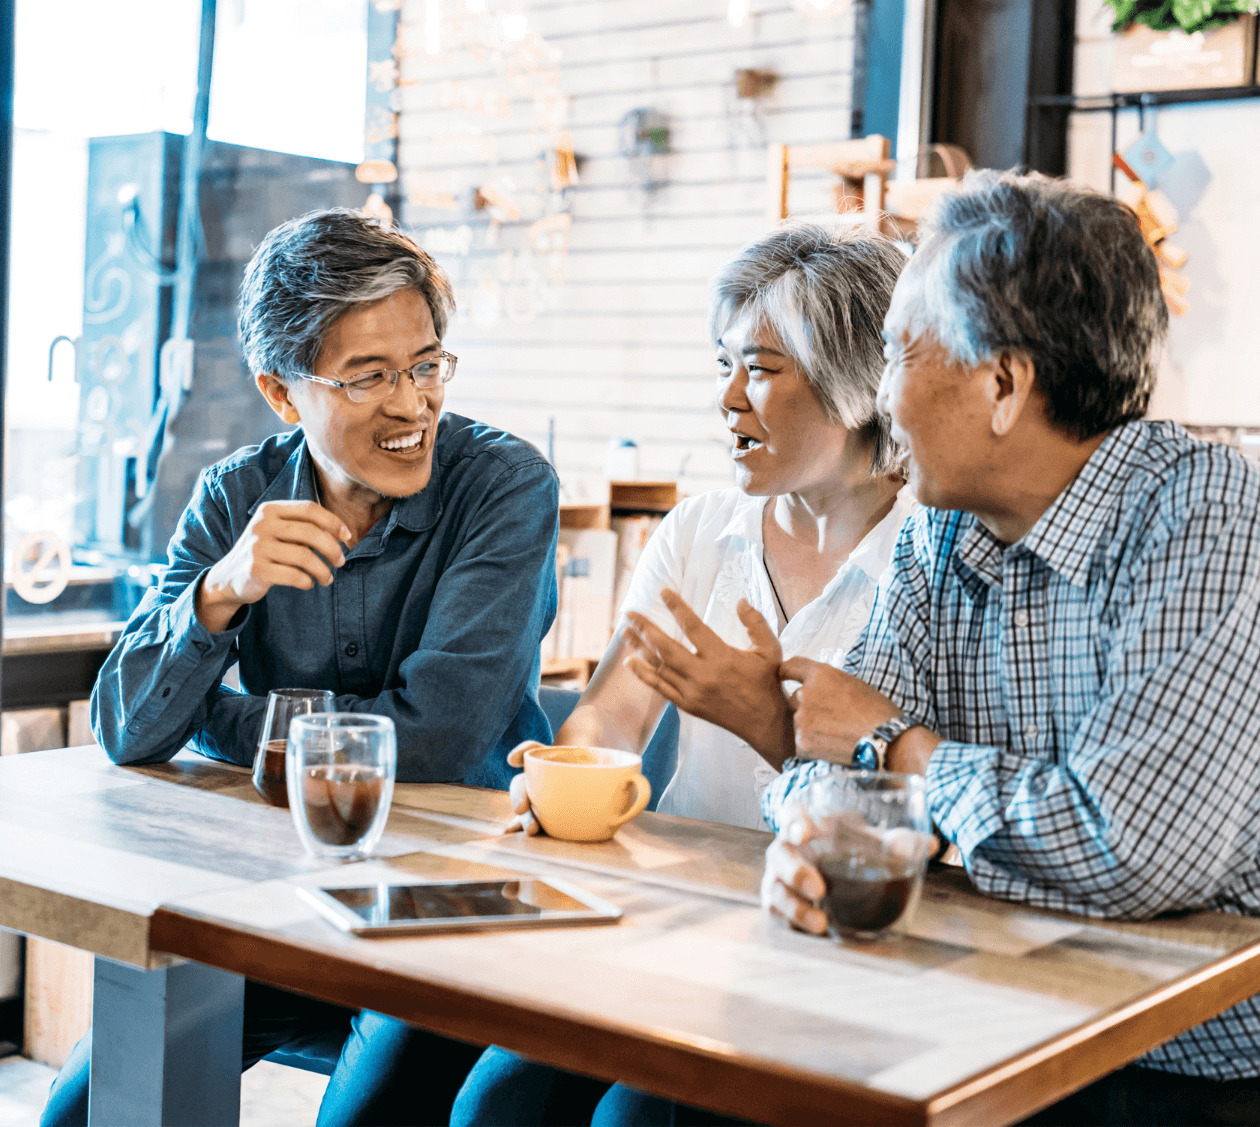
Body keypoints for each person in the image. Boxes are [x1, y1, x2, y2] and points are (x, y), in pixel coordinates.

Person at [727, 170, 1260, 1127]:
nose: (881, 399)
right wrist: (811, 834)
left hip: (1234, 1062)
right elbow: (828, 748)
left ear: (1003, 386)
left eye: (896, 356)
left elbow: (1132, 850)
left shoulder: (1212, 516)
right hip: (1020, 1011)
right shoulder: (945, 529)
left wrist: (901, 753)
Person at [326, 219, 919, 1127]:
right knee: (487, 1097)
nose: (727, 400)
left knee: (625, 1118)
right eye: (722, 364)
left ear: (855, 383)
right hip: (662, 913)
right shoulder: (698, 533)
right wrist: (567, 780)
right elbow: (609, 719)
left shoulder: (934, 559)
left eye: (759, 368)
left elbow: (912, 799)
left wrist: (771, 718)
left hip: (817, 941)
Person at [39, 207, 561, 1127]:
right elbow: (126, 727)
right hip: (277, 897)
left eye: (427, 365)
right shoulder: (236, 494)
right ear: (282, 393)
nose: (411, 404)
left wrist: (241, 720)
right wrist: (218, 594)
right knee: (87, 1110)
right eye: (369, 378)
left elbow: (438, 740)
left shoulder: (504, 487)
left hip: (450, 906)